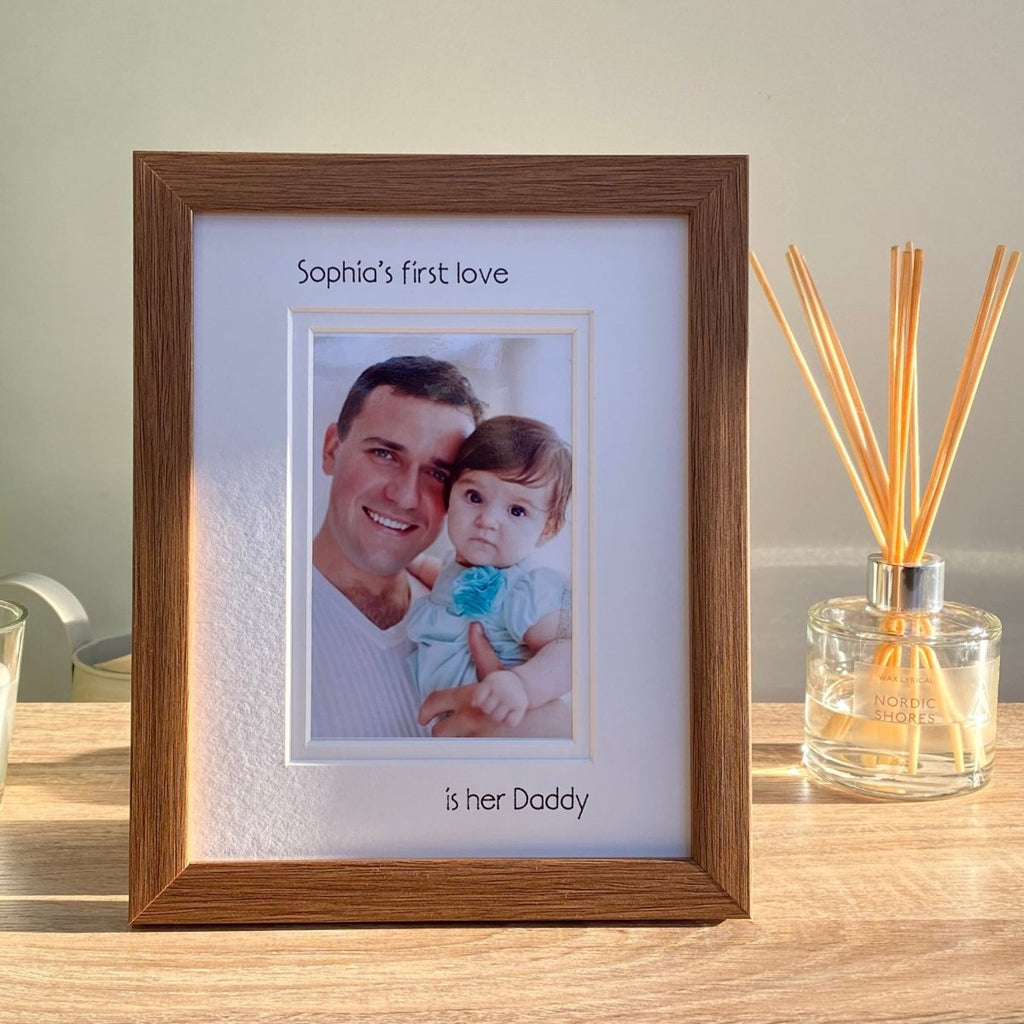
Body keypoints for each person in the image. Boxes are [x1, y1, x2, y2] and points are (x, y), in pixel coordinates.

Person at [310, 355, 571, 740]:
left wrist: (550, 724)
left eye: (437, 473)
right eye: (384, 454)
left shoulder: (475, 596)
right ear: (332, 448)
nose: (404, 496)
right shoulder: (257, 619)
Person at [406, 416, 572, 728]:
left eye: (517, 511)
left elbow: (570, 650)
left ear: (547, 529)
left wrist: (523, 686)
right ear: (449, 495)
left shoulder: (528, 592)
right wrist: (409, 560)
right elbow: (445, 585)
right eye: (474, 497)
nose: (487, 520)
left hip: (505, 728)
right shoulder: (455, 569)